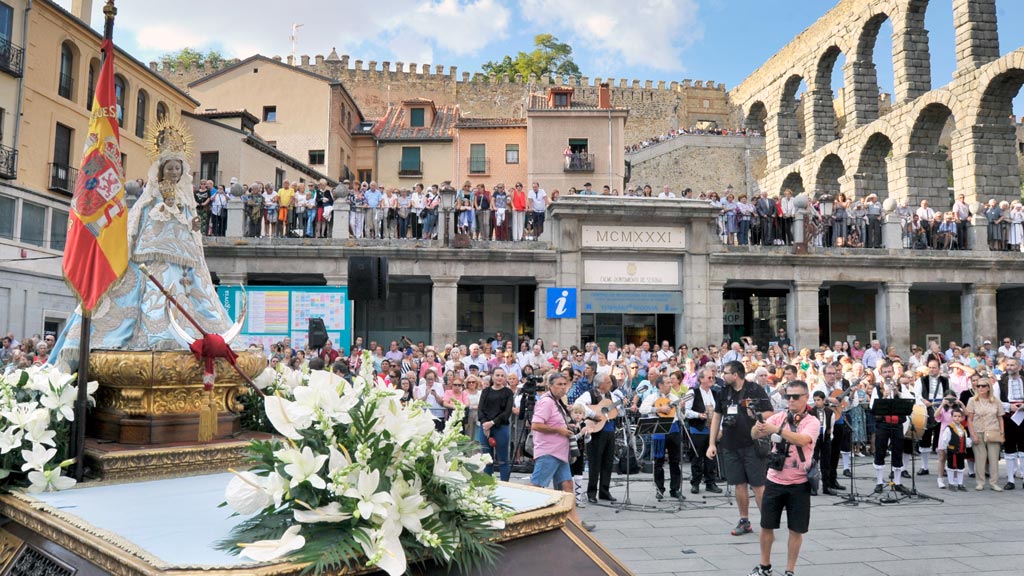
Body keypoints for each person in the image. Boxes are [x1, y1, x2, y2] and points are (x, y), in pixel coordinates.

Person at [50, 122, 232, 369]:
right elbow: (137, 223)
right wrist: (161, 210)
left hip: (184, 263)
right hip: (151, 261)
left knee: (197, 301)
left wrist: (194, 224)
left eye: (178, 168)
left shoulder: (185, 199)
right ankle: (154, 336)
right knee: (150, 298)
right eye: (170, 167)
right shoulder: (150, 197)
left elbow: (191, 226)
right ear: (161, 170)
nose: (174, 172)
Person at [749, 380, 819, 576]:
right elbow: (754, 434)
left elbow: (802, 440)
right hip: (774, 480)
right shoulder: (779, 417)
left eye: (796, 397)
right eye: (788, 396)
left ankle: (790, 570)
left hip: (800, 482)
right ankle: (764, 567)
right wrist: (759, 425)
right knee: (766, 526)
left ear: (806, 397)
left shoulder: (812, 422)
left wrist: (776, 431)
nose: (791, 400)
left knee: (796, 530)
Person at [707, 361, 771, 537]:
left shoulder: (754, 389)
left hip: (752, 444)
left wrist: (757, 415)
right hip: (730, 444)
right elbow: (717, 417)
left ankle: (767, 522)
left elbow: (770, 412)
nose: (722, 376)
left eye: (725, 373)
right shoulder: (723, 392)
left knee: (758, 485)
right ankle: (744, 520)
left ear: (735, 375)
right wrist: (712, 443)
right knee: (739, 484)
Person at [529, 372, 594, 531]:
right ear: (550, 385)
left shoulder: (557, 402)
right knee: (536, 486)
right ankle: (527, 519)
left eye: (565, 384)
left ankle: (574, 522)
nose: (563, 387)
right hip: (549, 451)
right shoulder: (546, 402)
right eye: (559, 384)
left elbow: (554, 422)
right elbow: (536, 425)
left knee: (567, 486)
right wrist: (559, 430)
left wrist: (567, 427)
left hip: (560, 452)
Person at [574, 372, 619, 503]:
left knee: (608, 463)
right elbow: (579, 405)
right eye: (608, 382)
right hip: (596, 431)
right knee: (595, 463)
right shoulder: (590, 394)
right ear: (601, 385)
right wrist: (594, 414)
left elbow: (615, 411)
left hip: (610, 431)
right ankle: (591, 493)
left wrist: (622, 404)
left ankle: (605, 491)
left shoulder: (612, 395)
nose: (611, 384)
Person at [869, 362, 913, 493]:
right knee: (880, 452)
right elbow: (872, 407)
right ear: (881, 374)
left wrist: (897, 393)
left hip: (897, 423)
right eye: (885, 372)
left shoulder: (899, 386)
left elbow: (910, 400)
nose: (888, 374)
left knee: (898, 451)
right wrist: (883, 396)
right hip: (882, 424)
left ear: (893, 373)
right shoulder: (877, 389)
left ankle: (897, 482)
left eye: (889, 372)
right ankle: (879, 482)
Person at [640, 376, 683, 500]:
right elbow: (642, 409)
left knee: (675, 461)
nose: (670, 384)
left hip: (674, 429)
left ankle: (675, 489)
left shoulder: (674, 398)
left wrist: (682, 408)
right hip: (659, 431)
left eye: (670, 382)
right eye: (668, 382)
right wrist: (658, 409)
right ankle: (659, 489)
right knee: (658, 462)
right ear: (660, 385)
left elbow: (681, 417)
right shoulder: (653, 397)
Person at [685, 365, 721, 494]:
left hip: (711, 430)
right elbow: (686, 411)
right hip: (698, 430)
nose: (712, 379)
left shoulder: (716, 393)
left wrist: (720, 429)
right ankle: (695, 483)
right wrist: (698, 415)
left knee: (711, 458)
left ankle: (710, 483)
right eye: (709, 377)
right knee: (697, 457)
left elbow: (719, 413)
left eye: (712, 377)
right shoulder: (692, 392)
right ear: (701, 379)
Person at [966, 375, 1005, 491]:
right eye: (978, 386)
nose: (980, 388)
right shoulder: (972, 400)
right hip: (978, 431)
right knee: (980, 458)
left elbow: (1000, 418)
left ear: (989, 387)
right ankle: (980, 482)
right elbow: (969, 419)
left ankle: (994, 482)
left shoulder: (996, 401)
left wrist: (1002, 432)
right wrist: (972, 434)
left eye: (983, 386)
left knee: (993, 458)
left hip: (993, 431)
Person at [477, 367, 514, 481]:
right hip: (485, 428)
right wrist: (484, 424)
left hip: (500, 427)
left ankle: (505, 485)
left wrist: (492, 423)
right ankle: (487, 484)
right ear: (492, 376)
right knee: (487, 459)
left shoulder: (508, 392)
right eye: (497, 375)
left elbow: (507, 412)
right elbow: (480, 409)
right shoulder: (486, 391)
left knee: (503, 459)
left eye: (502, 376)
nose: (499, 378)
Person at [999, 358, 1024, 489]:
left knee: (1023, 448)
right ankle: (1010, 480)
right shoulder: (1000, 383)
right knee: (1009, 447)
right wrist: (1009, 406)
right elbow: (996, 401)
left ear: (1019, 367)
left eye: (1012, 365)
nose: (1009, 367)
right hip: (1008, 416)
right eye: (1008, 365)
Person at [939, 407, 970, 491]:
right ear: (952, 417)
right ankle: (951, 483)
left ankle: (960, 483)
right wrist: (946, 449)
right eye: (955, 416)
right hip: (952, 451)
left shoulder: (963, 429)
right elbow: (945, 440)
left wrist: (968, 444)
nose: (957, 418)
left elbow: (966, 439)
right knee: (951, 467)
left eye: (959, 416)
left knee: (960, 467)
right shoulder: (949, 428)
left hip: (961, 451)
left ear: (962, 418)